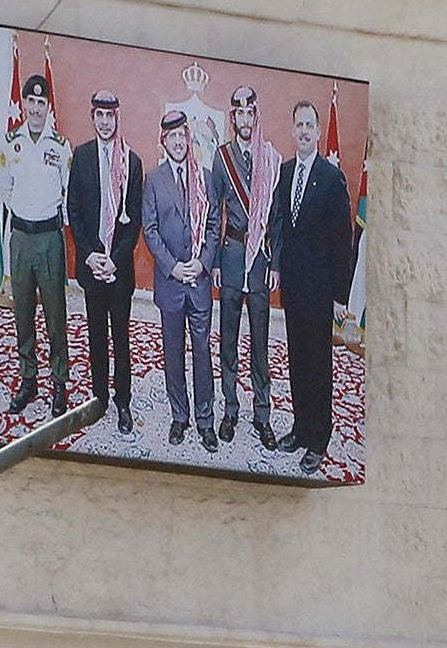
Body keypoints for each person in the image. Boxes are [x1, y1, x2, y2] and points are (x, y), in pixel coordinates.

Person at [269, 99, 356, 472]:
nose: (304, 131)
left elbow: (343, 240)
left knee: (319, 366)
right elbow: (281, 227)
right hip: (294, 287)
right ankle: (301, 429)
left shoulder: (332, 178)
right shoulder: (286, 173)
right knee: (298, 362)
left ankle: (319, 439)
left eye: (310, 125)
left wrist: (339, 296)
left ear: (319, 133)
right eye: (299, 125)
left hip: (321, 292)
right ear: (293, 131)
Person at [209, 84, 282, 447]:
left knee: (260, 346)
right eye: (238, 112)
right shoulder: (222, 158)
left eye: (249, 112)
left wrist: (277, 265)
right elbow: (213, 212)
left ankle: (262, 414)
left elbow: (278, 218)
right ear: (232, 117)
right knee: (229, 342)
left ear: (256, 115)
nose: (244, 118)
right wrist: (218, 262)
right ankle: (230, 410)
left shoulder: (271, 158)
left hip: (261, 263)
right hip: (233, 257)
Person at [0, 72, 76, 422]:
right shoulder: (11, 141)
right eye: (29, 101)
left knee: (55, 316)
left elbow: (67, 193)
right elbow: (6, 190)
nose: (34, 108)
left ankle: (59, 381)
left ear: (48, 107)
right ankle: (28, 379)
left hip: (48, 239)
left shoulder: (60, 147)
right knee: (23, 314)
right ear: (25, 105)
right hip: (20, 238)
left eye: (40, 102)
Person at [66, 89, 144, 426]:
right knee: (96, 334)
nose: (105, 122)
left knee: (121, 336)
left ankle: (122, 401)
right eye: (99, 115)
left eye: (110, 116)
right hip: (92, 265)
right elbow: (74, 212)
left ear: (117, 117)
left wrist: (114, 258)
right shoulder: (80, 156)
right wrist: (90, 255)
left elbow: (135, 219)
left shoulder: (132, 161)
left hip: (118, 268)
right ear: (92, 117)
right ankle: (99, 398)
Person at [143, 109, 218, 446]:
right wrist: (173, 266)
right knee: (173, 352)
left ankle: (205, 420)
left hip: (199, 283)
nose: (178, 141)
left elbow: (215, 225)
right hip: (171, 283)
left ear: (189, 138)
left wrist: (202, 263)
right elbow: (151, 229)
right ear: (164, 140)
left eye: (182, 135)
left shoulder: (204, 176)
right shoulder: (153, 180)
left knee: (202, 351)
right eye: (171, 136)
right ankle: (180, 417)